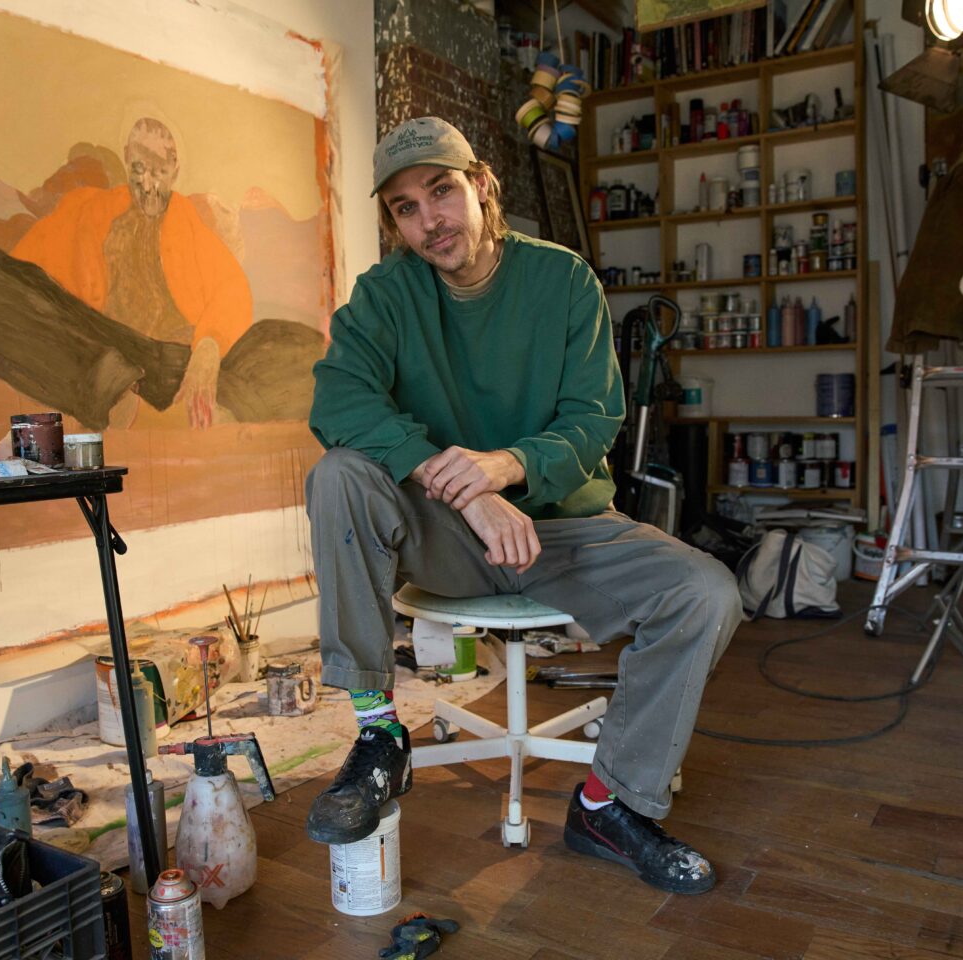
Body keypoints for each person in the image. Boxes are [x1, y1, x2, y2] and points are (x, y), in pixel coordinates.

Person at [302, 117, 743, 894]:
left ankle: (610, 806)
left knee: (705, 592)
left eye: (441, 190)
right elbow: (339, 402)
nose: (430, 219)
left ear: (482, 185)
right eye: (405, 208)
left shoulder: (564, 281)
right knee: (339, 474)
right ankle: (378, 736)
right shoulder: (384, 297)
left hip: (567, 529)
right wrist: (462, 489)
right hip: (445, 534)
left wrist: (504, 468)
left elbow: (592, 419)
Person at [10, 117, 254, 427]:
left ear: (175, 171)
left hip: (168, 360)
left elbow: (232, 287)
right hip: (105, 348)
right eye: (139, 170)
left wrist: (209, 345)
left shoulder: (185, 221)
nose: (149, 186)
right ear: (127, 158)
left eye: (159, 172)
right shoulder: (92, 210)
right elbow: (26, 265)